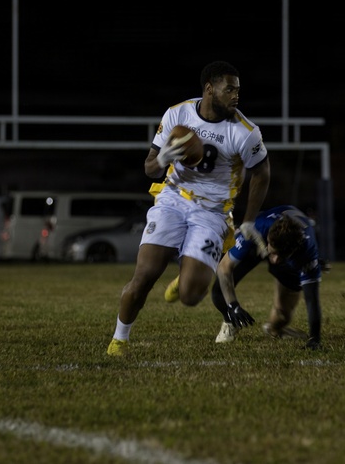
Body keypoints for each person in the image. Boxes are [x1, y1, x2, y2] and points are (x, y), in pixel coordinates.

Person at [106, 61, 270, 356]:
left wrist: (248, 221)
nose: (236, 95)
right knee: (144, 275)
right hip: (173, 198)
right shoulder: (177, 114)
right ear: (209, 89)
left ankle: (186, 273)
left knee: (191, 296)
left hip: (212, 211)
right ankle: (119, 340)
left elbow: (262, 173)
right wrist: (163, 158)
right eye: (229, 89)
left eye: (238, 90)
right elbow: (150, 169)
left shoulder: (245, 131)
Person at [211, 204, 322, 350]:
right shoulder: (258, 227)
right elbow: (224, 268)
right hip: (259, 240)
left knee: (283, 316)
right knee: (219, 291)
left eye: (279, 255)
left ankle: (275, 329)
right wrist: (233, 305)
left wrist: (315, 339)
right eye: (273, 253)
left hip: (288, 254)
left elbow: (312, 299)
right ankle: (229, 321)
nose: (274, 260)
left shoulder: (306, 253)